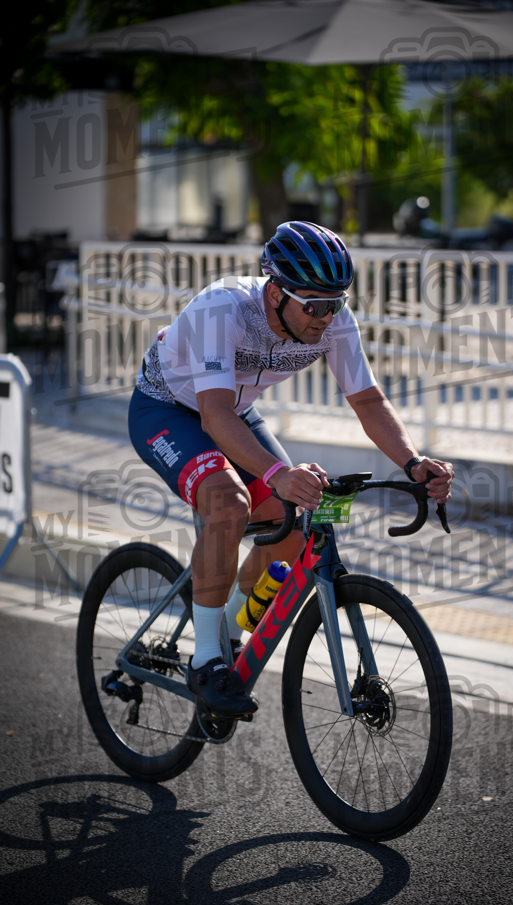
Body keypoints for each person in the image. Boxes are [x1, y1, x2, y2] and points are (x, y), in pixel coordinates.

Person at [128, 221, 454, 717]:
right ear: (276, 292)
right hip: (167, 409)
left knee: (294, 531)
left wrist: (412, 462)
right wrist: (278, 473)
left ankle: (229, 628)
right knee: (229, 504)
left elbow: (368, 401)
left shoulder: (332, 320)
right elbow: (213, 415)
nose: (326, 316)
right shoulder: (223, 308)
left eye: (336, 303)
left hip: (235, 412)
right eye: (314, 305)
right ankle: (206, 659)